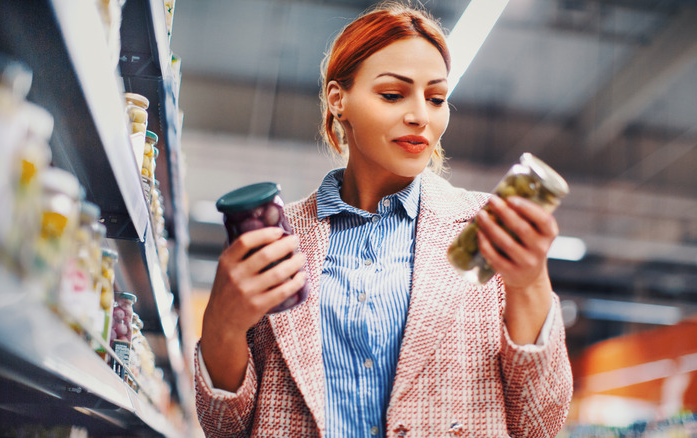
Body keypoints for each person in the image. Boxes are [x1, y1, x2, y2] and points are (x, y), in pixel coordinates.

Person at [195, 3, 573, 437]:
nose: (421, 116)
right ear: (338, 100)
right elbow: (224, 429)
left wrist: (530, 284)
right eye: (393, 94)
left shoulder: (486, 228)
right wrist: (222, 326)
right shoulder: (278, 237)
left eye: (436, 99)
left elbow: (539, 425)